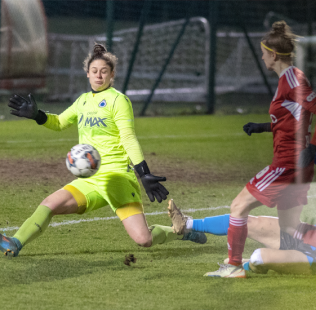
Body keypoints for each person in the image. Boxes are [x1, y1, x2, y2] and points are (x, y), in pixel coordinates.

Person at [1, 43, 205, 258]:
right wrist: (37, 115)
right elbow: (60, 122)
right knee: (50, 204)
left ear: (112, 74)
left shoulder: (118, 100)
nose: (99, 76)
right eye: (94, 71)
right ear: (87, 74)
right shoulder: (83, 101)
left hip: (117, 178)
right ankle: (15, 242)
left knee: (143, 239)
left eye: (104, 71)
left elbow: (128, 137)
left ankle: (181, 231)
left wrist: (143, 172)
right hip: (90, 179)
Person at [167, 21, 316, 278]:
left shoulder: (292, 79)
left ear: (274, 55)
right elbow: (293, 121)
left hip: (288, 163)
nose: (262, 56)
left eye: (263, 52)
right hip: (296, 164)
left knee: (238, 206)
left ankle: (233, 266)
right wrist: (263, 127)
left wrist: (311, 149)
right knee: (290, 228)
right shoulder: (288, 79)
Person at [167, 153, 316, 276]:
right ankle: (186, 224)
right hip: (306, 235)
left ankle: (244, 265)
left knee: (258, 257)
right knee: (246, 220)